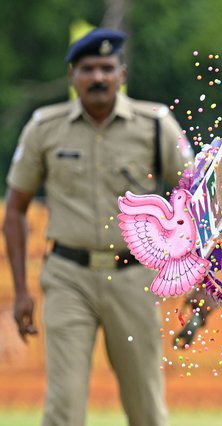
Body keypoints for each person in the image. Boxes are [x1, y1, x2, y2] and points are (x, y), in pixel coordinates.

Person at [4, 28, 193, 426]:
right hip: (67, 277)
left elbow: (191, 198)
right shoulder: (44, 127)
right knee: (63, 407)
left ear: (122, 74)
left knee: (145, 404)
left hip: (133, 278)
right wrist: (21, 290)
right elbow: (16, 208)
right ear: (72, 75)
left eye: (107, 68)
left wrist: (196, 275)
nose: (98, 77)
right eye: (88, 69)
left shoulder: (156, 124)